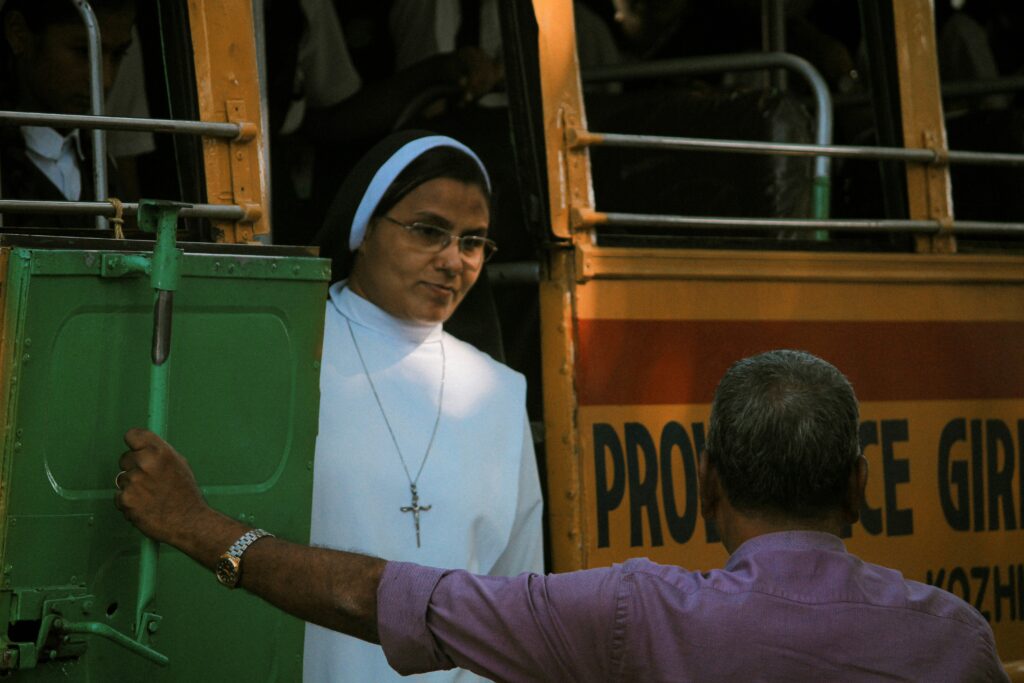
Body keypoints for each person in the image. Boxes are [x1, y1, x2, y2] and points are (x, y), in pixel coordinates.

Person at [114, 349, 1009, 681]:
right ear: (860, 486)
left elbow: (374, 596)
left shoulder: (636, 613)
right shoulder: (958, 640)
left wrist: (196, 524)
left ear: (705, 490)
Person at [305, 131, 543, 681]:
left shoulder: (501, 391)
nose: (453, 260)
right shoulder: (294, 352)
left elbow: (517, 585)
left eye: (473, 241)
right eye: (429, 231)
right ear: (364, 231)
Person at [0, 0, 135, 229]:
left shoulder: (100, 163)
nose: (105, 80)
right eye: (84, 52)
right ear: (18, 34)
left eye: (118, 55)